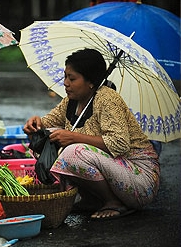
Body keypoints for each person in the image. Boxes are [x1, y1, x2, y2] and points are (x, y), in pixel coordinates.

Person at [23, 48, 160, 220]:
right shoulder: (71, 100)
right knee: (46, 138)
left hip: (139, 178)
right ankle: (92, 200)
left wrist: (73, 138)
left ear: (91, 82)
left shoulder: (107, 99)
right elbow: (48, 123)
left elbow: (119, 143)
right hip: (114, 169)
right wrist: (35, 124)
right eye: (65, 76)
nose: (65, 83)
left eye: (72, 78)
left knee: (73, 152)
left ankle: (113, 202)